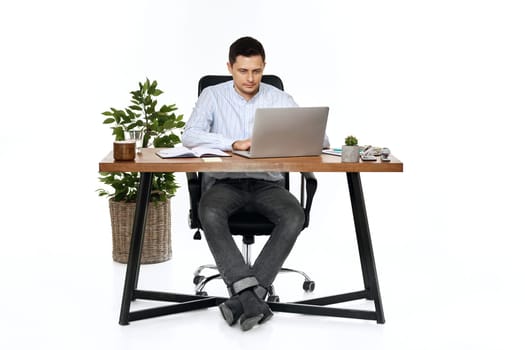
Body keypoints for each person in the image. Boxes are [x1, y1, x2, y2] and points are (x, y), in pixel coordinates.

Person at [182, 36, 328, 331]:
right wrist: (233, 143)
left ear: (264, 68)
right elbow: (190, 134)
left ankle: (242, 299)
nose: (251, 78)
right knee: (208, 211)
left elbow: (319, 139)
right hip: (224, 184)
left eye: (257, 71)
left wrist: (300, 136)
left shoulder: (278, 98)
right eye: (243, 71)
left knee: (294, 215)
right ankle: (253, 298)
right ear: (230, 67)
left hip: (268, 185)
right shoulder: (212, 95)